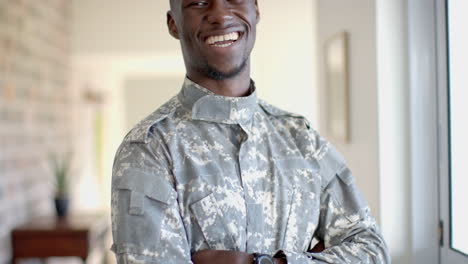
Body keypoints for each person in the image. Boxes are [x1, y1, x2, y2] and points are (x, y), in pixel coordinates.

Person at [110, 0, 390, 263]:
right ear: (174, 24)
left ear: (256, 9)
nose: (219, 14)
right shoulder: (148, 149)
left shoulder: (301, 138)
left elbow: (371, 249)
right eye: (197, 2)